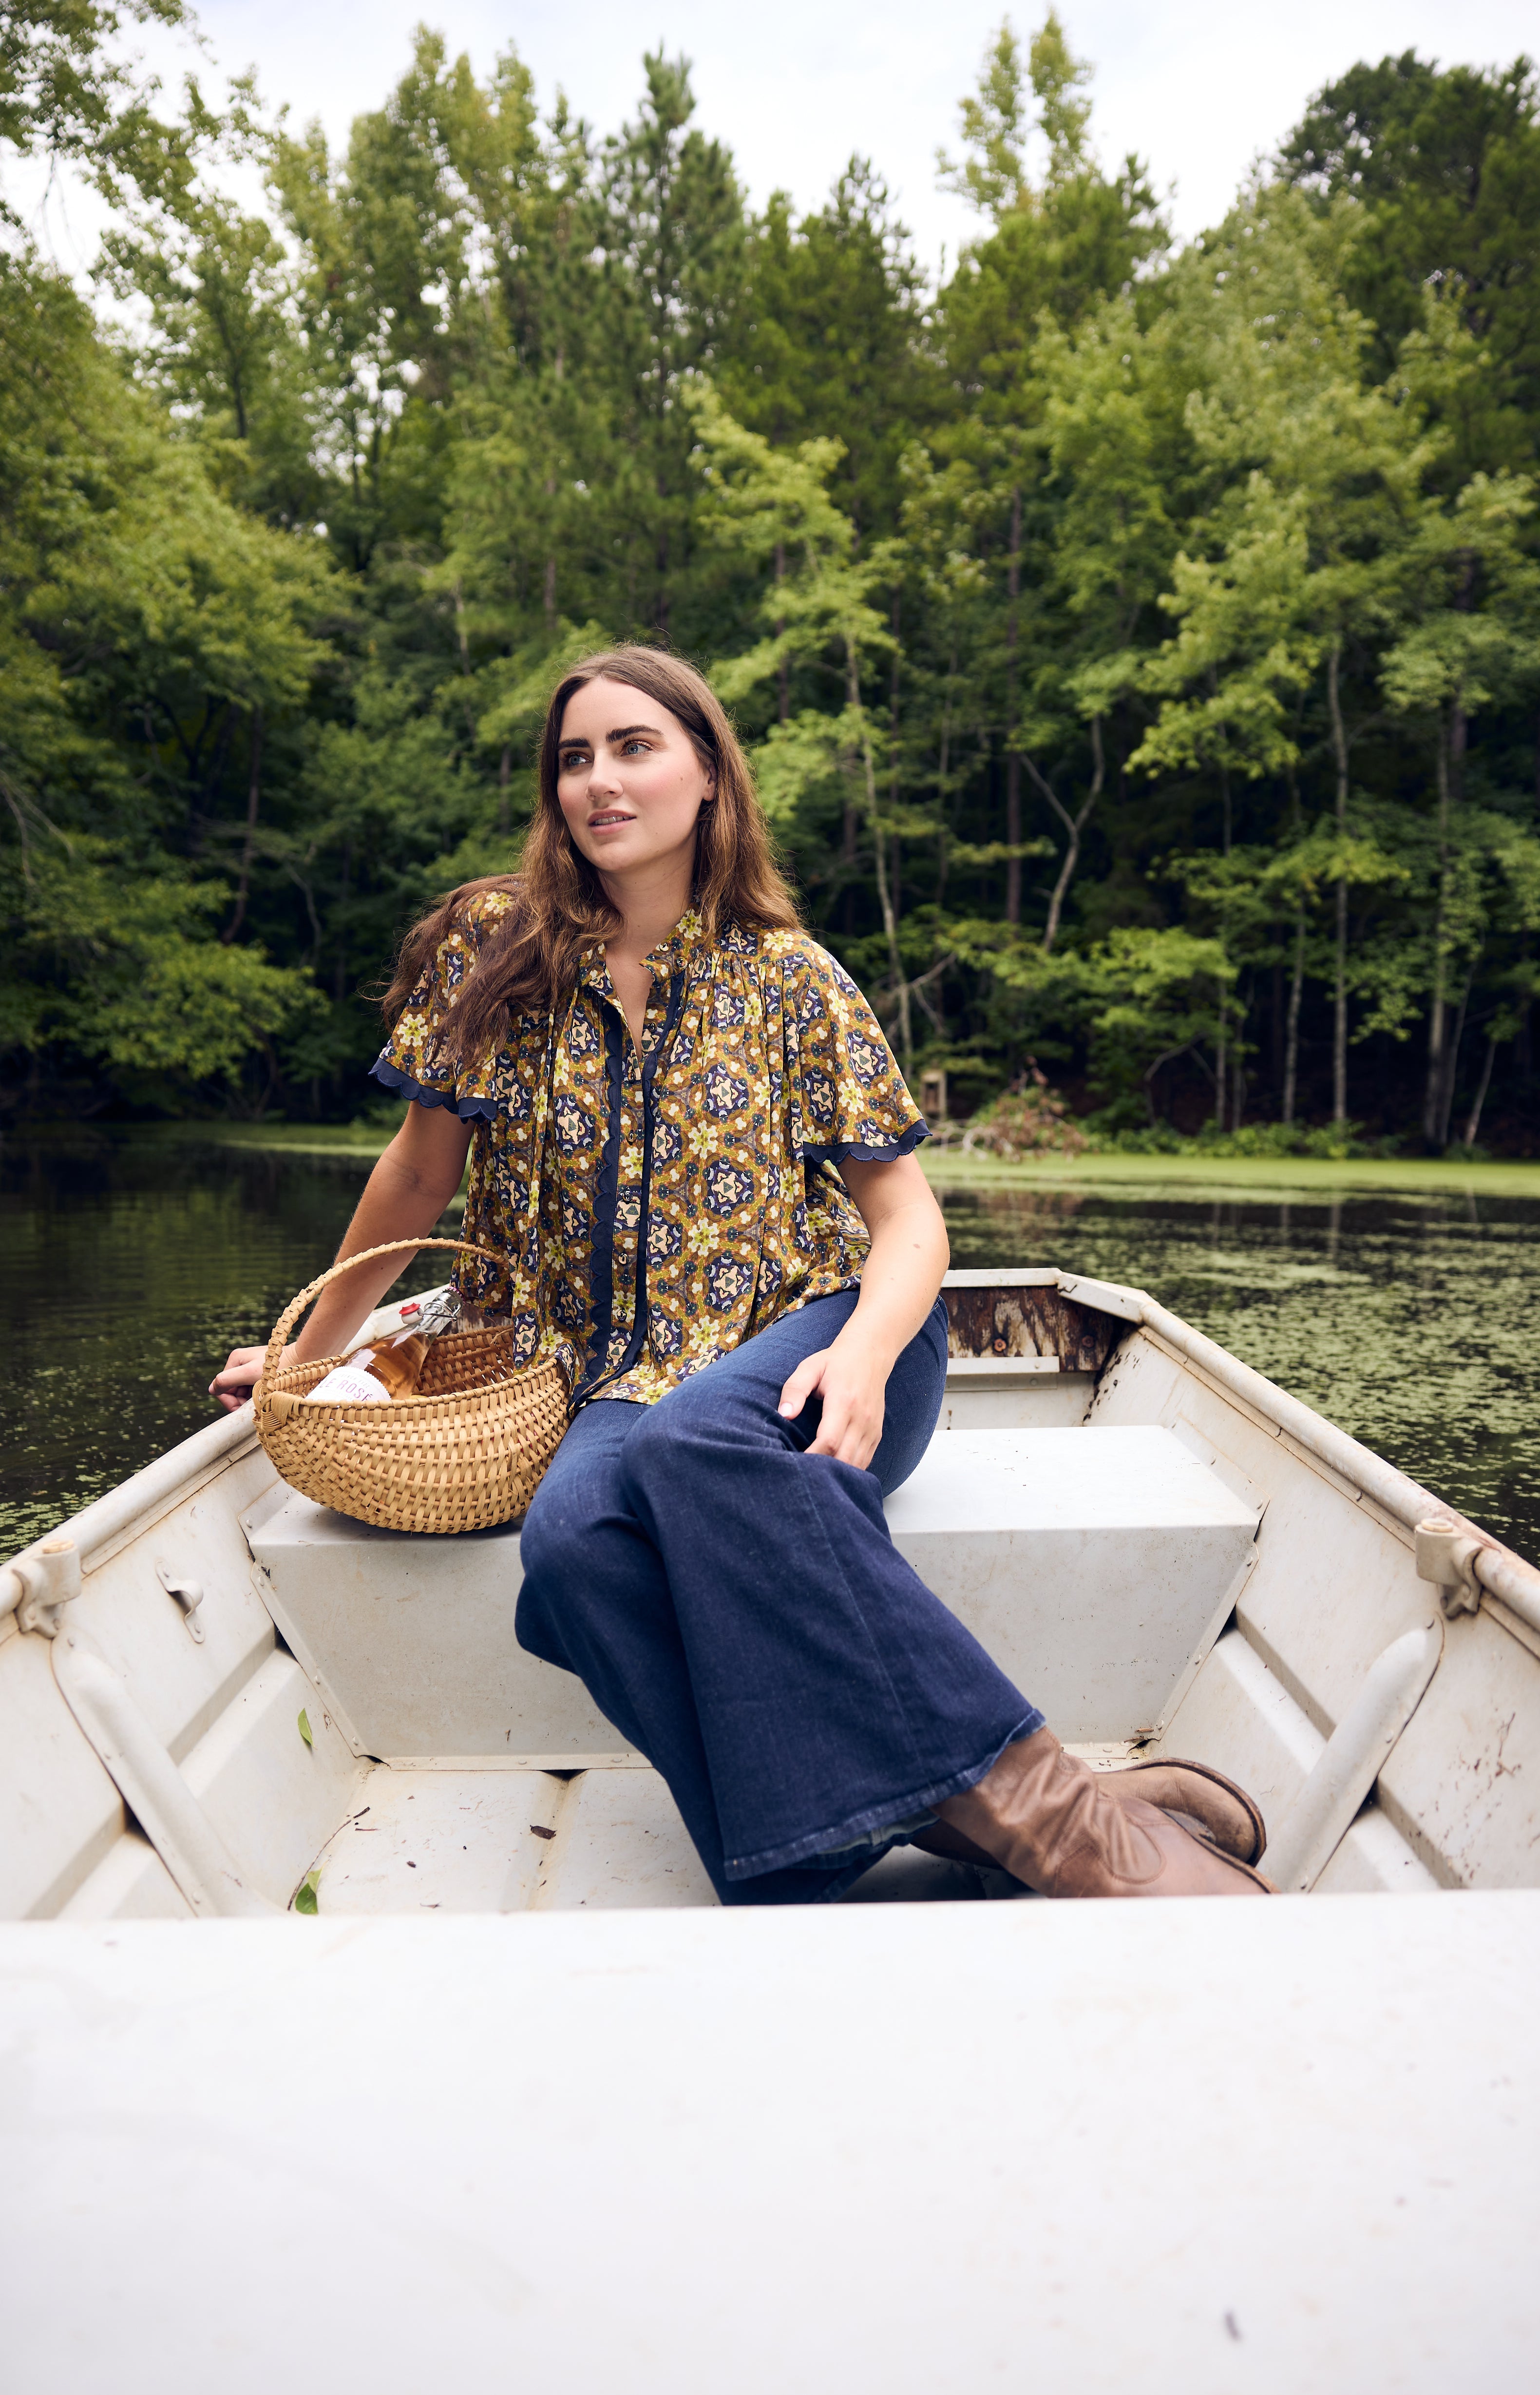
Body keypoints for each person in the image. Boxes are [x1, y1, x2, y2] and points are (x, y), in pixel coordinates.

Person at [212, 647, 1271, 1903]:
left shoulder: (792, 977)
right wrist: (310, 1357)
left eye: (635, 747)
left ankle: (1075, 1835)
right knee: (571, 1545)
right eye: (574, 758)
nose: (600, 781)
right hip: (613, 1377)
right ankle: (864, 1846)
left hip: (832, 1334)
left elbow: (910, 1225)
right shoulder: (493, 957)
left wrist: (864, 1357)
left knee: (696, 1443)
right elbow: (414, 1177)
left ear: (710, 773)